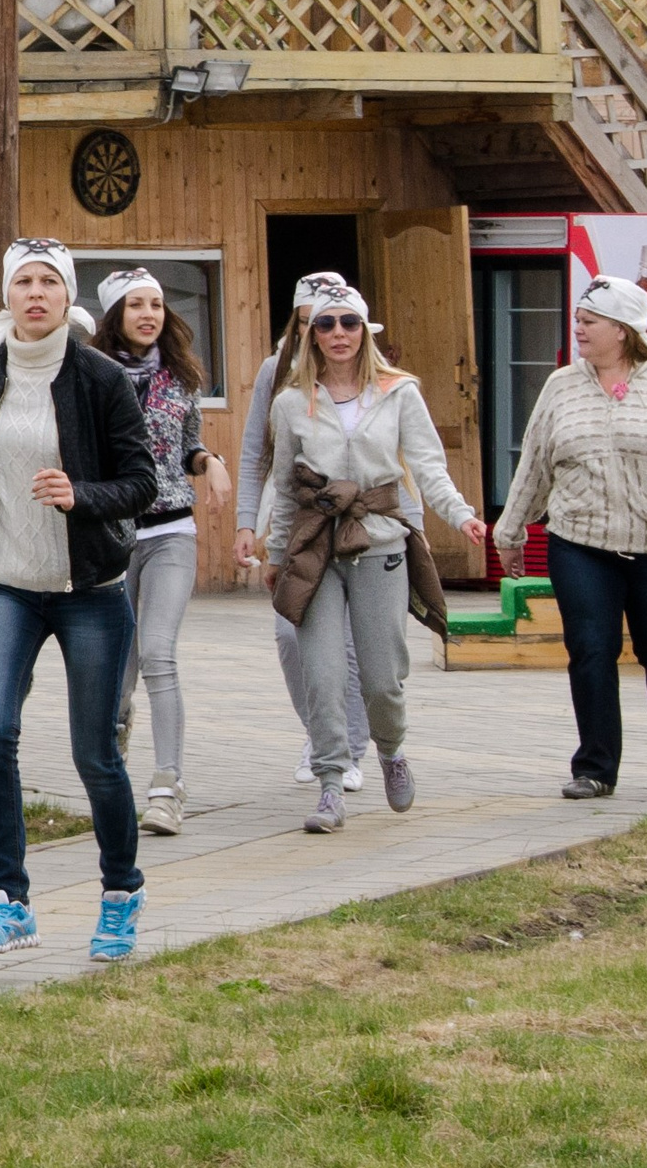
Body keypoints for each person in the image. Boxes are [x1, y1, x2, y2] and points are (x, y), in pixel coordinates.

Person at [0, 239, 157, 961]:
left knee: (95, 755)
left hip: (89, 592)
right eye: (24, 280)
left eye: (50, 281)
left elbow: (142, 481)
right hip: (6, 585)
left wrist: (82, 495)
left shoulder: (102, 376)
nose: (36, 292)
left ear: (67, 296)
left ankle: (121, 892)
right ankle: (9, 902)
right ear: (8, 294)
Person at [258, 281, 488, 832]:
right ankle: (331, 784)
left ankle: (391, 750)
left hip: (380, 539)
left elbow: (428, 465)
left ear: (366, 332)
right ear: (311, 335)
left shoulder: (399, 392)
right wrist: (273, 551)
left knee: (382, 677)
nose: (339, 334)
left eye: (349, 323)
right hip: (317, 546)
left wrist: (460, 514)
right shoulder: (291, 402)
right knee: (322, 671)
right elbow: (285, 484)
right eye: (326, 324)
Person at [494, 275, 647, 800]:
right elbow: (535, 465)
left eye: (588, 321)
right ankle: (595, 768)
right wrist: (509, 532)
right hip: (580, 543)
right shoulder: (562, 386)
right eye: (578, 319)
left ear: (622, 330)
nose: (577, 328)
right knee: (591, 648)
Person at [93, 266, 230, 837]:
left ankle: (168, 785)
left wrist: (209, 461)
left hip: (171, 531)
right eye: (136, 305)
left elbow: (189, 441)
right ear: (115, 317)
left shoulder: (181, 377)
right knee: (115, 670)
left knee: (158, 655)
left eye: (156, 304)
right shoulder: (92, 375)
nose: (149, 314)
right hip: (110, 537)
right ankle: (111, 778)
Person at [234, 271, 367, 792]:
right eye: (315, 323)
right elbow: (254, 453)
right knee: (292, 634)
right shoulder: (276, 372)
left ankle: (349, 749)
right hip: (298, 518)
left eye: (341, 321)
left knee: (351, 644)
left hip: (359, 520)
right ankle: (320, 734)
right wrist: (248, 521)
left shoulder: (372, 370)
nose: (331, 333)